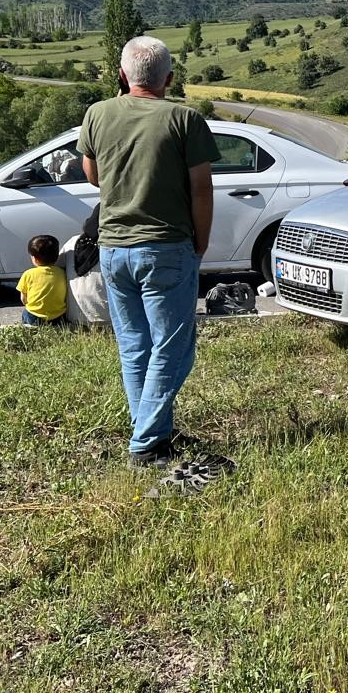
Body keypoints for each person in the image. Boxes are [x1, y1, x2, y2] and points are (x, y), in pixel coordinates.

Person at [78, 36, 220, 468]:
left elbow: (92, 175)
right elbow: (201, 187)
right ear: (169, 79)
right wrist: (202, 238)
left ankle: (153, 431)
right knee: (174, 346)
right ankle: (146, 442)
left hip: (114, 248)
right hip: (166, 247)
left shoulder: (98, 113)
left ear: (122, 76)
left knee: (134, 344)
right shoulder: (185, 119)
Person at [17, 234, 69, 326]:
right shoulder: (62, 273)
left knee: (27, 312)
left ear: (35, 258)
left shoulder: (28, 274)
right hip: (58, 316)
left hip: (34, 315)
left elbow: (23, 298)